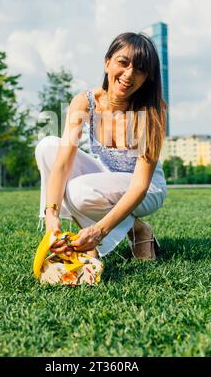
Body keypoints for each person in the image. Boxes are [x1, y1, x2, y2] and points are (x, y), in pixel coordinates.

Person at [35, 32, 167, 261]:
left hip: (147, 190)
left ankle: (137, 232)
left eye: (140, 69)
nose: (129, 74)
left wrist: (99, 231)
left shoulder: (151, 113)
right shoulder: (85, 102)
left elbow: (139, 186)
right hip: (106, 178)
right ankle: (135, 229)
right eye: (123, 63)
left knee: (79, 192)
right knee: (48, 147)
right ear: (107, 63)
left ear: (147, 77)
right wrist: (51, 219)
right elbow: (63, 164)